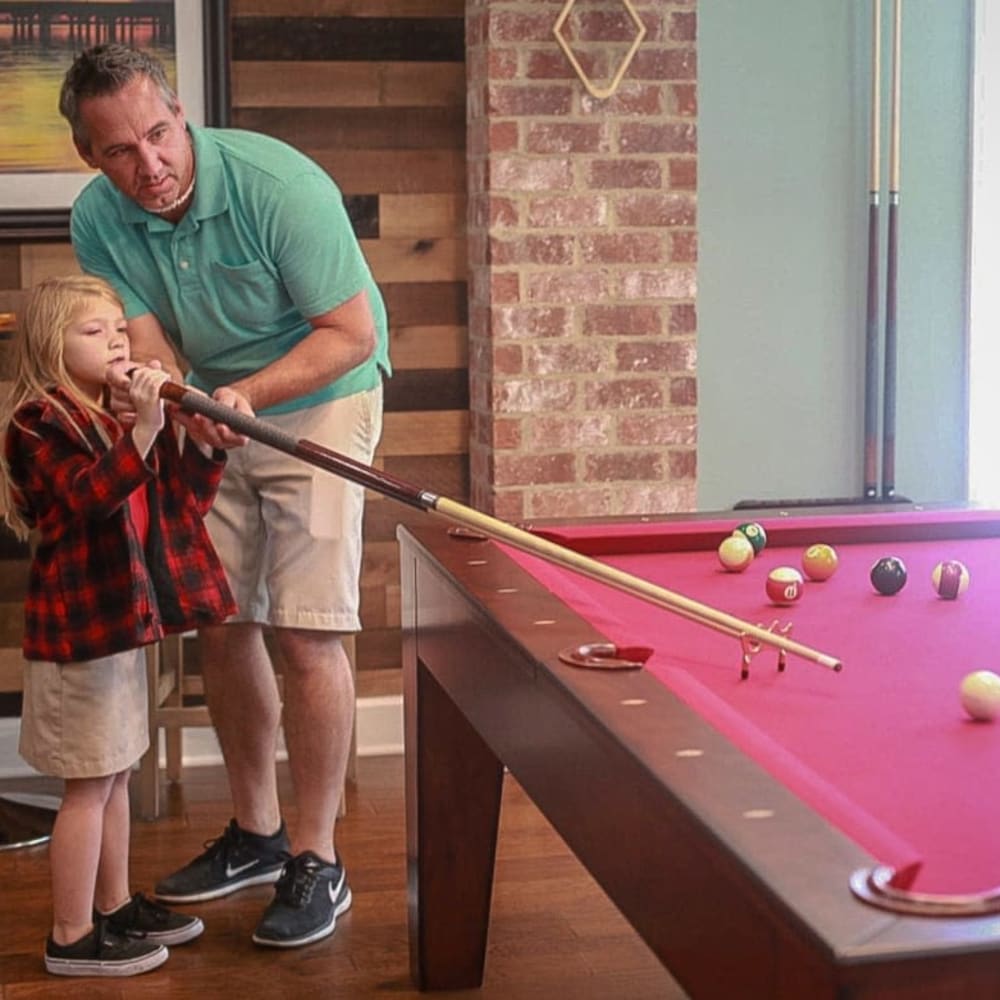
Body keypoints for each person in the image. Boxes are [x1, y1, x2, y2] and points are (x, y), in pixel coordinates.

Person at [57, 44, 391, 948]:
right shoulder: (98, 217)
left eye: (159, 135)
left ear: (180, 117)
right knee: (222, 615)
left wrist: (243, 399)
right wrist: (184, 401)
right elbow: (148, 338)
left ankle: (317, 859)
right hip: (212, 406)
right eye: (121, 150)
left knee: (306, 627)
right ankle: (257, 832)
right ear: (92, 156)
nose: (149, 165)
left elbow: (350, 333)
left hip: (322, 396)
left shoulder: (281, 186)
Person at [0, 274, 238, 977]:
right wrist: (143, 430)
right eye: (92, 331)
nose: (115, 341)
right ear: (50, 344)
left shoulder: (117, 418)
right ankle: (70, 935)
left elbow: (182, 505)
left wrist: (202, 441)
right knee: (88, 783)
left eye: (118, 329)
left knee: (116, 775)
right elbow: (89, 500)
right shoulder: (37, 424)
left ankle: (112, 904)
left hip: (124, 627)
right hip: (79, 635)